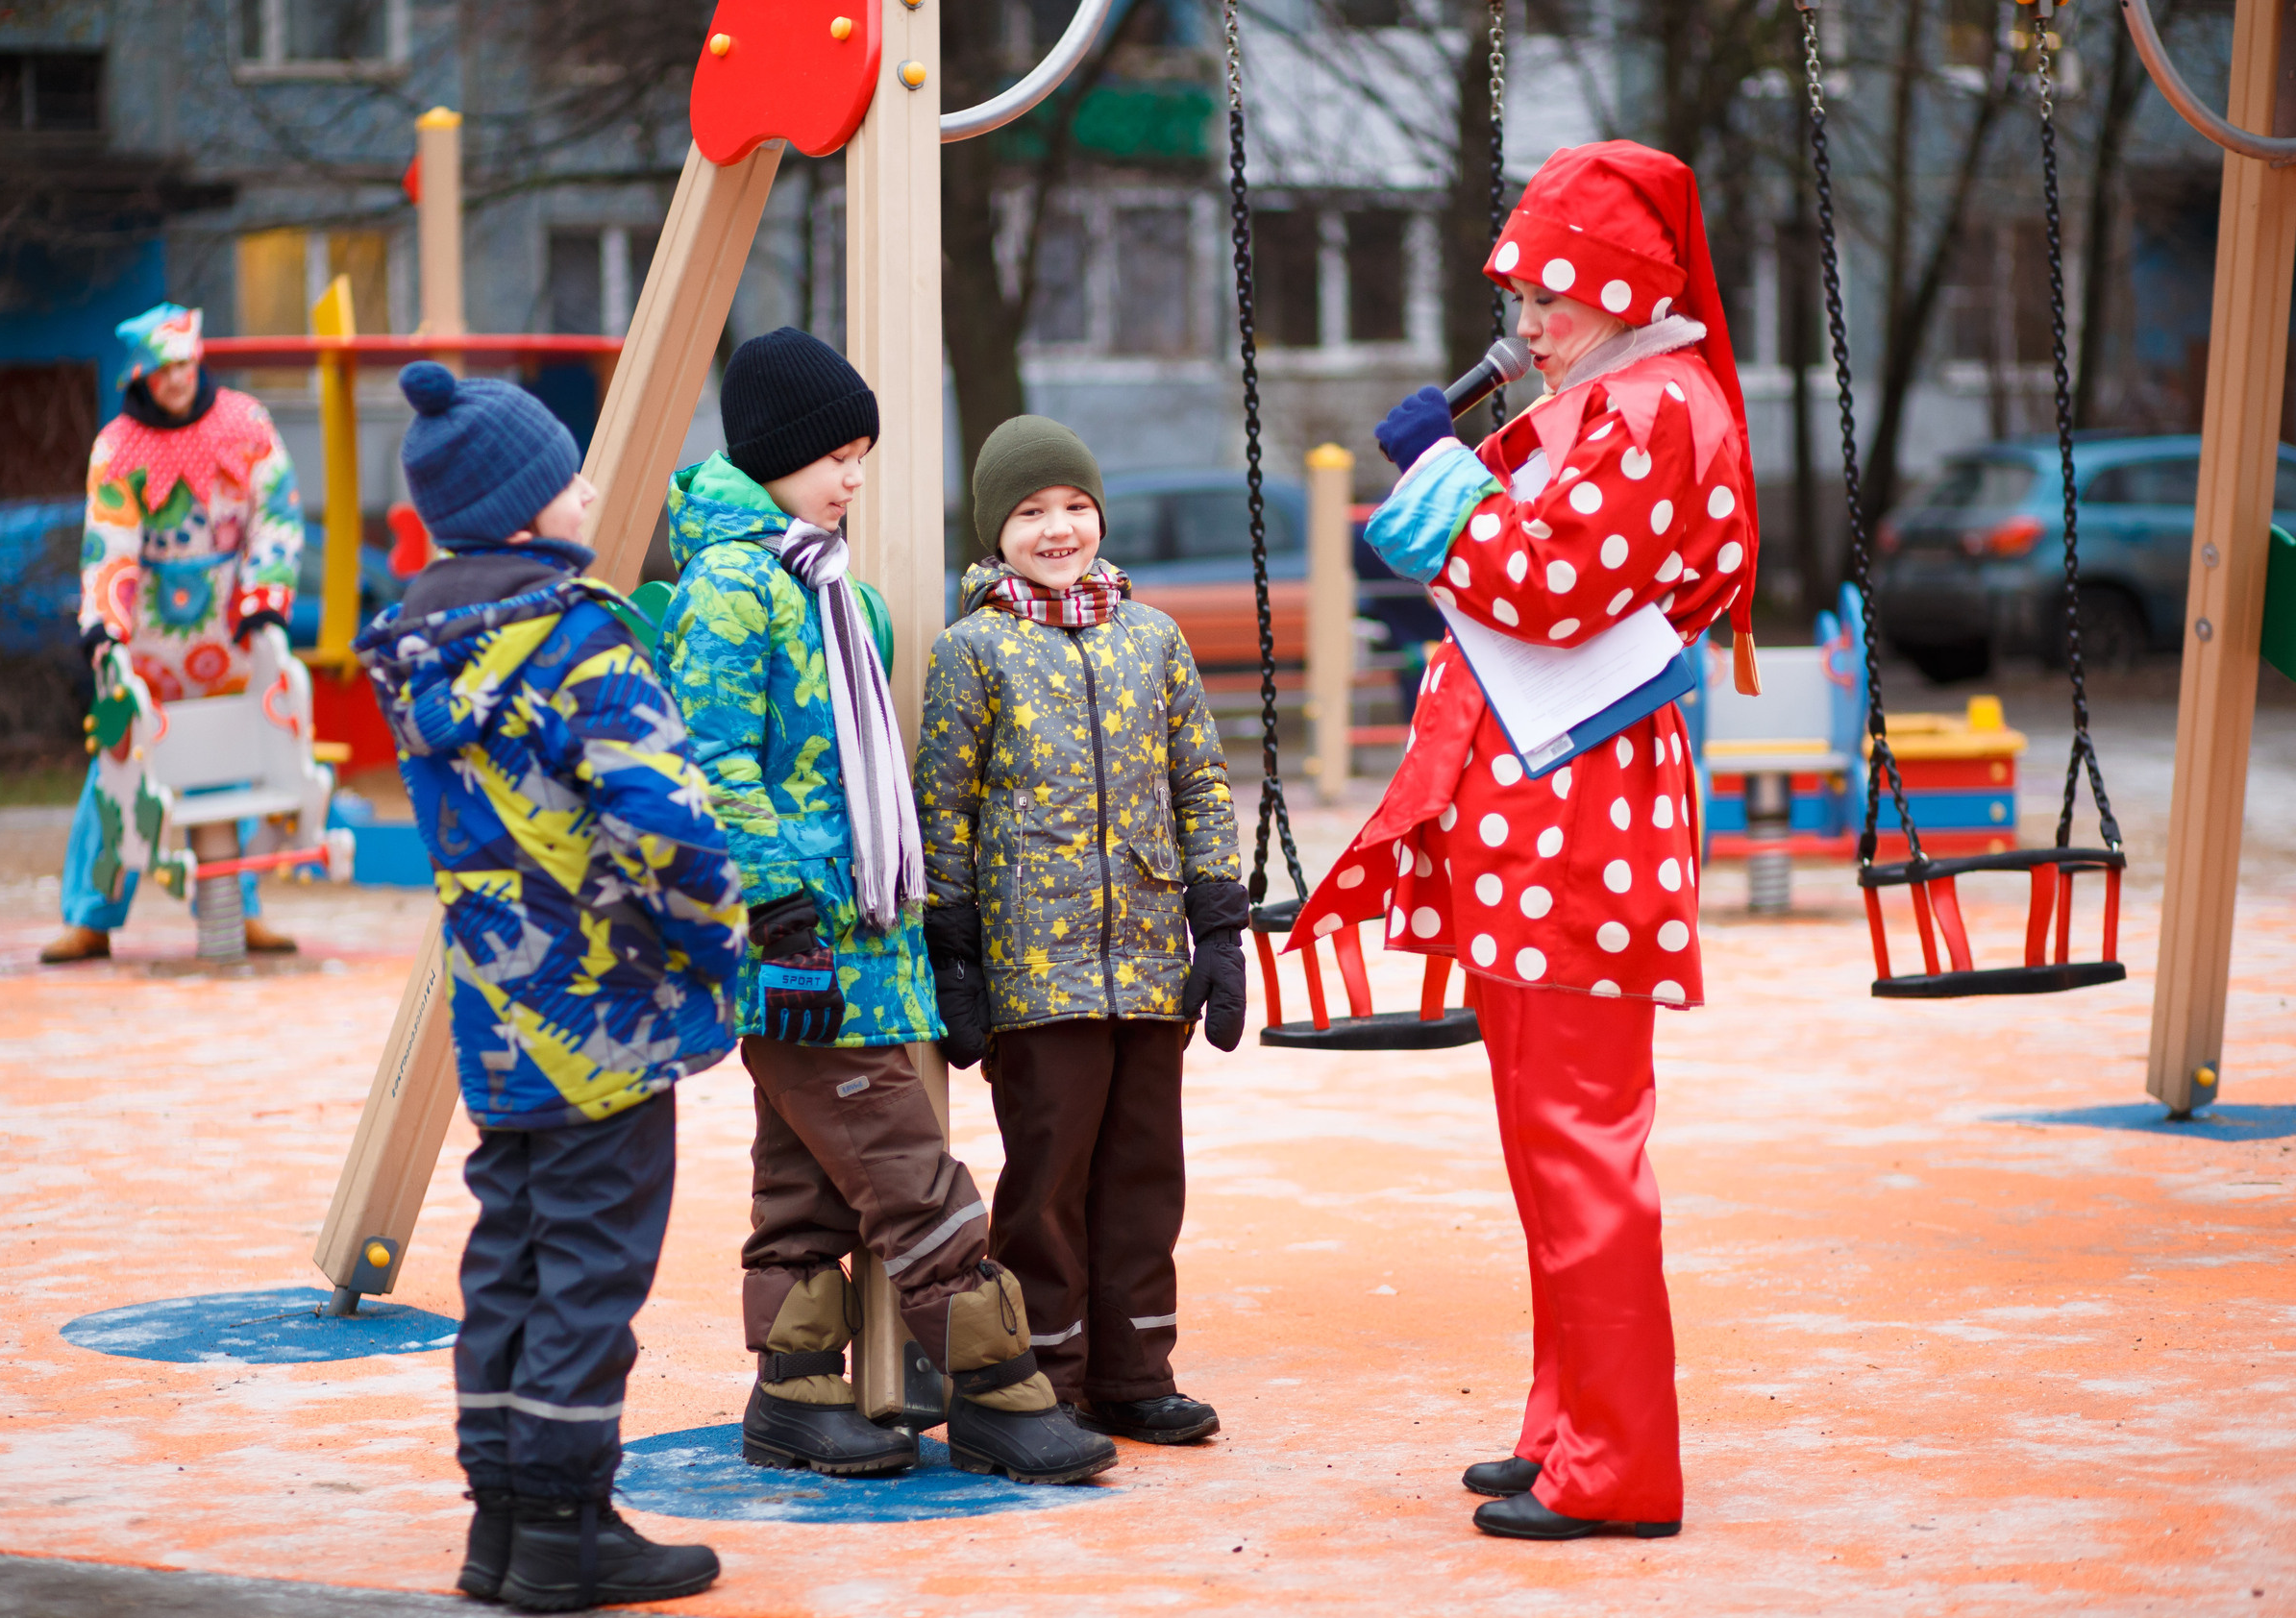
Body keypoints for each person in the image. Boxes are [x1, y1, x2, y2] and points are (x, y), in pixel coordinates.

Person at [1294, 139, 1765, 1541]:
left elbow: (1543, 580)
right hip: (1541, 819)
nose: (1529, 325)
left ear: (1621, 291)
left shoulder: (1652, 411)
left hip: (1581, 825)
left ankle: (1620, 1459)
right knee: (1543, 1143)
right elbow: (1504, 546)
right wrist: (1465, 465)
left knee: (1579, 1144)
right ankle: (1569, 1426)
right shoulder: (1601, 400)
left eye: (1552, 296)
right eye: (1523, 294)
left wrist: (1440, 474)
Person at [658, 329, 1118, 1486]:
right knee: (915, 1182)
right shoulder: (733, 584)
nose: (851, 476)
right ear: (772, 454)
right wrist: (773, 903)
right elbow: (715, 755)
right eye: (832, 456)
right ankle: (999, 1395)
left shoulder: (828, 586)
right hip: (797, 943)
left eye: (862, 453)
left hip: (861, 942)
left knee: (808, 1181)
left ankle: (796, 1393)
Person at [358, 361, 743, 1609]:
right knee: (591, 1267)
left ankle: (503, 1520)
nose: (588, 490)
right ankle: (567, 1528)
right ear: (530, 511)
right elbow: (668, 820)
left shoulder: (419, 653)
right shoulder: (580, 639)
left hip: (502, 1019)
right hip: (610, 1008)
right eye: (571, 474)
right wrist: (718, 940)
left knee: (513, 1255)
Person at [913, 414, 1246, 1447]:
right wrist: (955, 952)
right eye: (1030, 512)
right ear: (993, 530)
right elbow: (945, 808)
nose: (1057, 529)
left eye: (1073, 507)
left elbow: (1198, 779)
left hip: (1148, 960)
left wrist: (1219, 925)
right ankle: (1043, 1379)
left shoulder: (1153, 638)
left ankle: (1134, 1372)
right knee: (1046, 1179)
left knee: (1146, 1171)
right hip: (1034, 963)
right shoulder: (973, 652)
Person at [42, 303, 305, 963]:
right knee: (120, 768)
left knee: (224, 767)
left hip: (227, 628)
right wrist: (106, 624)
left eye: (186, 363)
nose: (180, 378)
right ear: (144, 373)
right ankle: (91, 915)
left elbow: (277, 511)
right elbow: (110, 540)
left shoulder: (246, 424)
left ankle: (236, 911)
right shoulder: (118, 445)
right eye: (165, 368)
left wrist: (264, 599)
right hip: (149, 643)